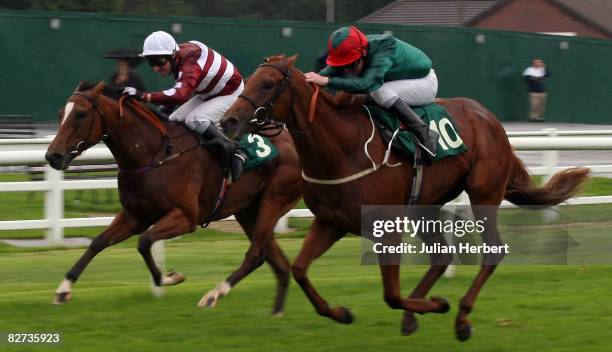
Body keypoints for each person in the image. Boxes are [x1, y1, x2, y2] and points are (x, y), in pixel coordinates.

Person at [122, 31, 246, 181]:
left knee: (195, 119)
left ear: (173, 55)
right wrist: (165, 106)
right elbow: (181, 91)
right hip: (208, 93)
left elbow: (180, 94)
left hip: (230, 93)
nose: (156, 68)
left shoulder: (189, 64)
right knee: (174, 120)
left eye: (159, 61)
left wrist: (144, 96)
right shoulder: (179, 57)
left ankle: (235, 152)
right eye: (151, 62)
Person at [305, 26, 440, 161]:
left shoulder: (384, 48)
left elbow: (367, 84)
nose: (347, 70)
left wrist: (327, 81)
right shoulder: (357, 47)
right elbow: (327, 72)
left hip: (424, 82)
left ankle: (426, 135)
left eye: (351, 64)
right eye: (343, 66)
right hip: (400, 80)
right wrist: (310, 79)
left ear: (363, 53)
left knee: (378, 92)